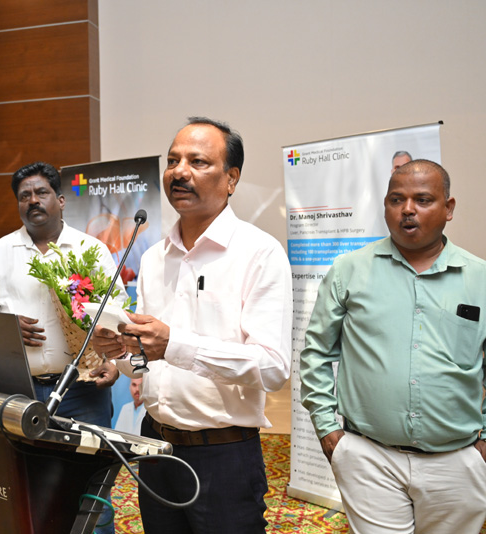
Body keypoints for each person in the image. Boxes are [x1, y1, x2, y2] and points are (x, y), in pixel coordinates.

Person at [93, 117, 293, 534]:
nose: (179, 172)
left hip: (223, 455)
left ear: (231, 178)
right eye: (173, 161)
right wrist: (123, 353)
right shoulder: (154, 257)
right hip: (155, 446)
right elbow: (148, 364)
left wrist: (174, 345)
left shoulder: (259, 253)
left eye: (198, 162)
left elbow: (273, 368)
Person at [300, 159, 486, 533]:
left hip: (458, 461)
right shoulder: (349, 270)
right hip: (369, 456)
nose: (407, 210)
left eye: (423, 200)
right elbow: (316, 352)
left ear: (448, 208)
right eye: (396, 200)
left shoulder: (479, 277)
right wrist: (327, 428)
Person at [0, 161, 123, 533]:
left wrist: (116, 364)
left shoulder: (90, 249)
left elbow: (117, 315)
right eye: (25, 196)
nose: (33, 201)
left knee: (93, 494)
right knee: (29, 490)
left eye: (41, 193)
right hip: (17, 391)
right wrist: (5, 328)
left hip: (82, 393)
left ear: (60, 200)